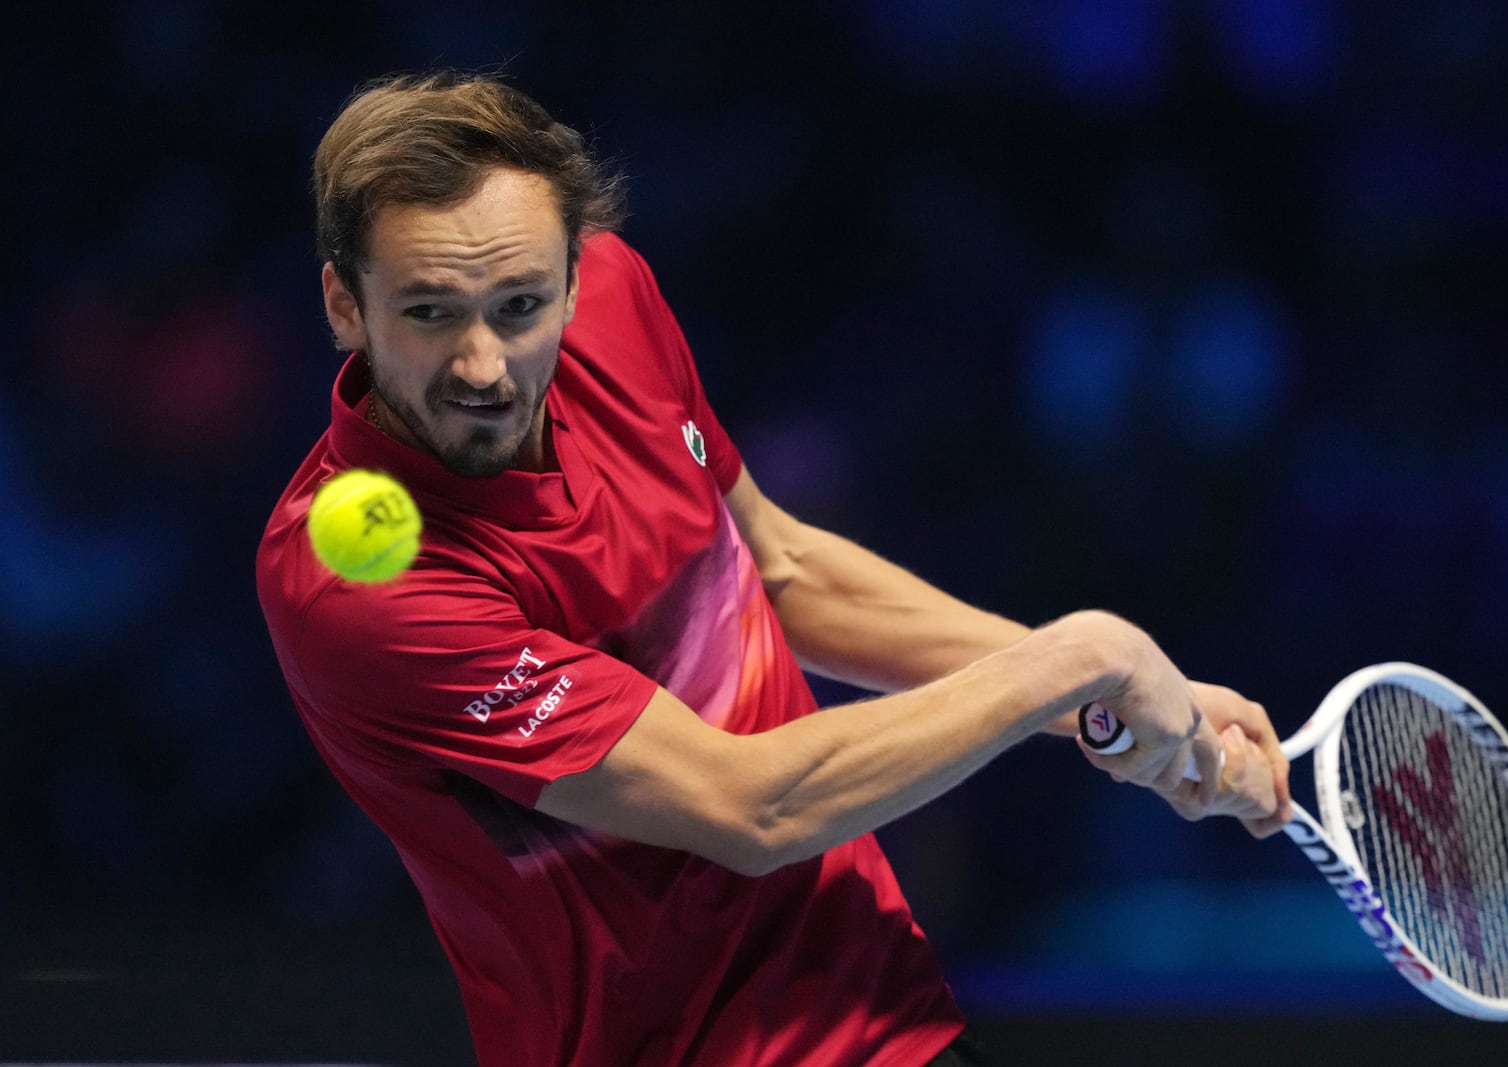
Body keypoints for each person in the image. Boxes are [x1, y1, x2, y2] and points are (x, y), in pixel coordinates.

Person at [257, 71, 1292, 1067]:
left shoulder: (617, 302)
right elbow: (750, 808)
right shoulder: (361, 591)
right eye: (430, 311)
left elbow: (784, 568)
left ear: (575, 277)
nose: (483, 365)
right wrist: (1078, 660)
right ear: (346, 305)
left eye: (521, 305)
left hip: (877, 1004)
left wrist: (1120, 700)